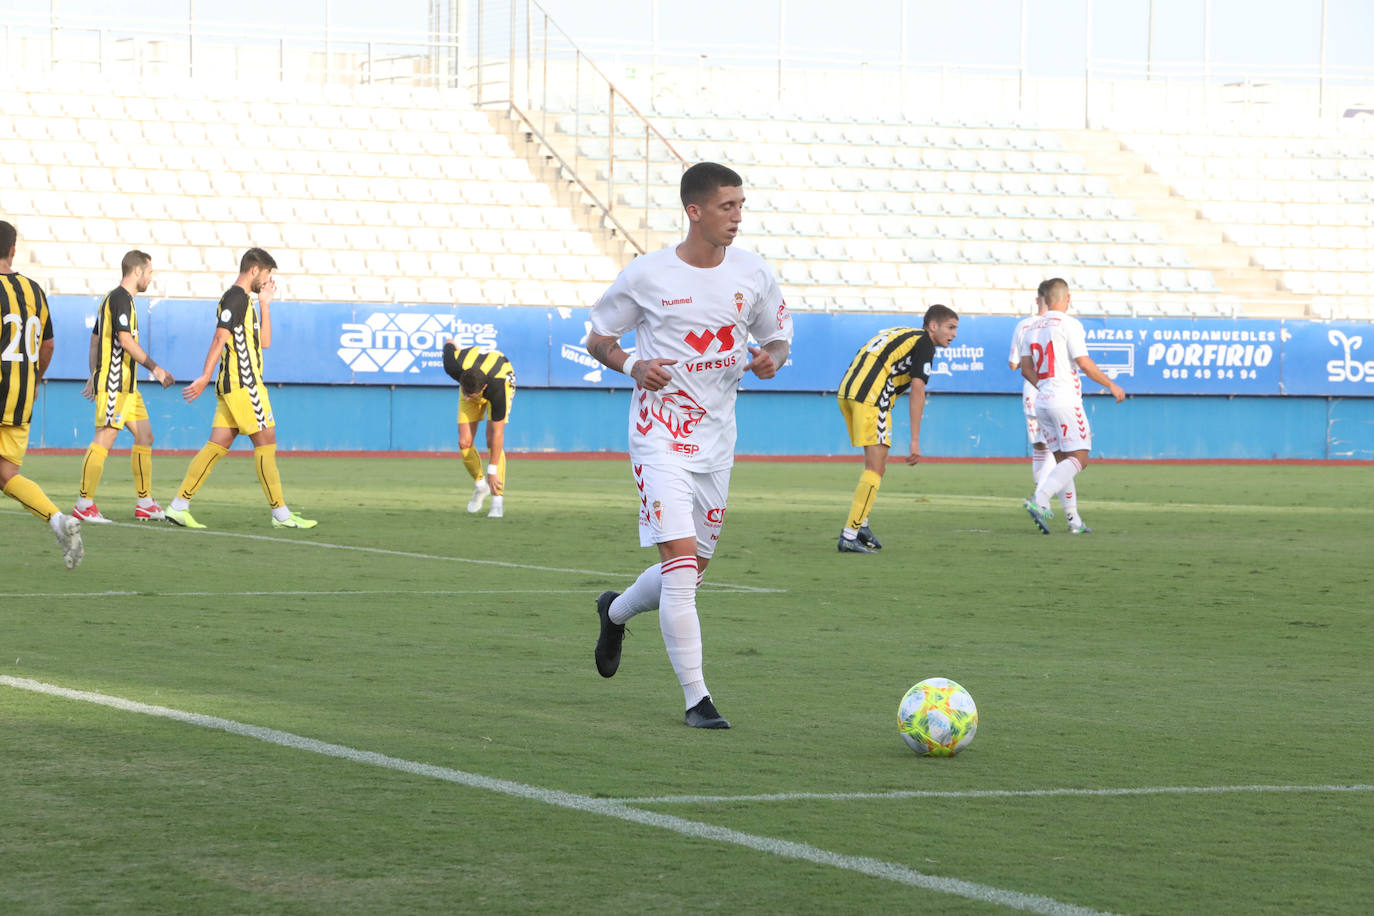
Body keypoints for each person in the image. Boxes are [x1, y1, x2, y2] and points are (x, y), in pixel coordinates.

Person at [585, 161, 793, 730]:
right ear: (694, 211)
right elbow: (598, 339)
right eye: (727, 206)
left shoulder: (754, 273)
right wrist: (632, 363)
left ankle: (616, 610)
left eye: (741, 205)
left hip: (717, 439)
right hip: (659, 437)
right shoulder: (648, 275)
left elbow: (776, 338)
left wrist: (771, 358)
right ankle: (697, 699)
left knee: (692, 570)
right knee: (680, 572)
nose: (738, 216)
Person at [165, 248, 316, 530]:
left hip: (233, 387)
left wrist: (266, 304)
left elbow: (265, 342)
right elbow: (220, 336)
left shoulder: (246, 302)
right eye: (267, 274)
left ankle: (178, 506)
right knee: (266, 442)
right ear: (255, 270)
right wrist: (204, 376)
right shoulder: (235, 298)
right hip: (245, 385)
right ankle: (281, 514)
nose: (268, 280)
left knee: (216, 446)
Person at [834, 305, 961, 554]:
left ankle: (862, 525)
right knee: (876, 468)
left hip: (849, 391)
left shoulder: (905, 334)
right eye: (951, 327)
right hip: (872, 396)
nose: (955, 334)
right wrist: (915, 439)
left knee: (875, 463)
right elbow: (918, 390)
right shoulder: (925, 343)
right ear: (932, 326)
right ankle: (850, 534)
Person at [0, 220, 84, 568]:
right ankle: (57, 519)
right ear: (13, 250)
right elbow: (47, 344)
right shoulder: (34, 290)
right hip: (20, 399)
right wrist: (34, 382)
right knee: (7, 475)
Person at [73, 250, 175, 523]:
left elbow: (96, 340)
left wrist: (93, 372)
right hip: (116, 383)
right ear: (138, 272)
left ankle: (144, 502)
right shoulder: (120, 298)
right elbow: (125, 340)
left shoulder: (113, 300)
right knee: (105, 437)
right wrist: (155, 368)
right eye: (150, 272)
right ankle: (84, 504)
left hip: (128, 387)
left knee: (145, 436)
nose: (151, 278)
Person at [1018, 277, 1125, 534]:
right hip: (1065, 399)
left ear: (1045, 299)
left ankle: (1073, 520)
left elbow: (1025, 368)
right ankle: (1040, 499)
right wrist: (1111, 384)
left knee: (1062, 460)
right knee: (1080, 458)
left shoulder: (1031, 327)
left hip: (1042, 401)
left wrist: (1043, 385)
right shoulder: (1069, 324)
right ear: (1067, 298)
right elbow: (1083, 362)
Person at [1008, 280, 1065, 512]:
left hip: (1031, 392)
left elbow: (1014, 364)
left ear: (1037, 300)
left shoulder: (1024, 326)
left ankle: (1042, 500)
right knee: (1057, 447)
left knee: (1041, 449)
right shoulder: (1060, 325)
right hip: (1053, 391)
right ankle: (1039, 497)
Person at [442, 341, 514, 519]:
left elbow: (499, 434)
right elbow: (449, 343)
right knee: (464, 442)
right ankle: (480, 486)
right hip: (471, 377)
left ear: (483, 388)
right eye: (465, 393)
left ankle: (497, 502)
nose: (466, 399)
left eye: (470, 396)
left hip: (502, 380)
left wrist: (492, 469)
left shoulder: (497, 389)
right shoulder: (453, 366)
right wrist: (454, 345)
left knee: (490, 439)